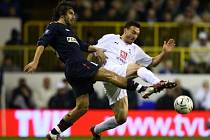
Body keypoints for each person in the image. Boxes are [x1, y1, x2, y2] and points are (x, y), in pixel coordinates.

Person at [23, 1, 162, 140]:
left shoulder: (69, 31)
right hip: (77, 64)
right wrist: (35, 61)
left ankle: (54, 133)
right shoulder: (54, 26)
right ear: (62, 14)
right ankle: (142, 89)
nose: (73, 16)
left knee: (82, 107)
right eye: (71, 13)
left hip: (73, 70)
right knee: (110, 75)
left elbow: (83, 45)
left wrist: (97, 49)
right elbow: (42, 42)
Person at [88, 21, 176, 140]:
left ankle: (96, 130)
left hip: (122, 80)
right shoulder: (110, 38)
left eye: (137, 34)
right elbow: (92, 50)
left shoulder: (136, 49)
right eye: (133, 32)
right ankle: (157, 83)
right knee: (136, 67)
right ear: (125, 30)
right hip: (109, 73)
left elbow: (153, 62)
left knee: (121, 118)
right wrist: (89, 69)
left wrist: (164, 53)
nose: (135, 36)